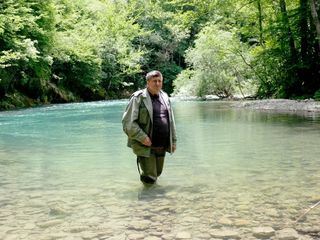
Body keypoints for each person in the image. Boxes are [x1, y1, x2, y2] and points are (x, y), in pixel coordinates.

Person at [122, 70, 177, 184]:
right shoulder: (138, 98)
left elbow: (171, 121)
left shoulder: (165, 96)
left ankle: (152, 197)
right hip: (145, 145)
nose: (157, 83)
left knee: (157, 173)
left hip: (162, 144)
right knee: (150, 176)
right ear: (148, 82)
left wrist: (173, 141)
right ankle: (147, 199)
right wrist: (142, 137)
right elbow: (128, 123)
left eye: (159, 81)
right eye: (154, 81)